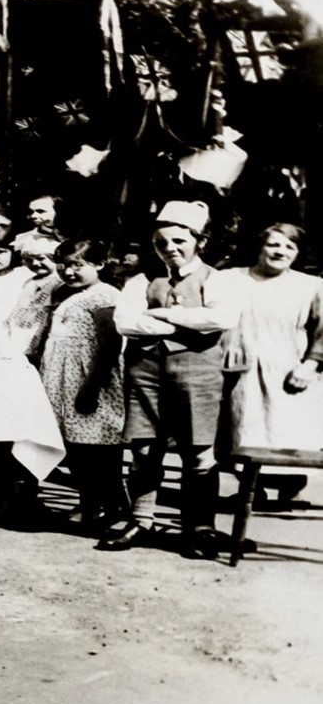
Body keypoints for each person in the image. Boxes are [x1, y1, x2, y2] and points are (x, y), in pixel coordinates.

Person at [109, 200, 243, 558]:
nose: (170, 248)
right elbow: (125, 322)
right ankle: (140, 521)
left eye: (179, 241)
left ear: (200, 241)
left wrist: (161, 316)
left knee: (198, 450)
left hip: (197, 371)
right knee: (143, 448)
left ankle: (199, 528)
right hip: (145, 370)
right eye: (161, 242)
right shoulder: (141, 280)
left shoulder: (216, 279)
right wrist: (183, 321)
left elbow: (221, 318)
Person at [221, 224, 323, 499]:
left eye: (289, 246)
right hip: (240, 368)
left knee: (286, 430)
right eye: (274, 244)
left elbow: (322, 330)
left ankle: (290, 488)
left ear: (298, 253)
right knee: (244, 429)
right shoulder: (231, 278)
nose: (281, 251)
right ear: (260, 247)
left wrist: (312, 363)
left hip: (289, 370)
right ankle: (253, 490)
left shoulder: (310, 286)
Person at [40, 239, 129, 534]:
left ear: (99, 264)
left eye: (77, 265)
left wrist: (92, 387)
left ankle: (106, 505)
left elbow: (111, 343)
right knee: (74, 445)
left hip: (88, 379)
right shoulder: (69, 294)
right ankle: (91, 502)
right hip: (62, 379)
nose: (68, 271)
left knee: (96, 446)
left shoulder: (104, 295)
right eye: (62, 265)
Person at [6, 236, 66, 364]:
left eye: (40, 259)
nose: (35, 263)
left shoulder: (59, 283)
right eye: (29, 260)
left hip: (44, 327)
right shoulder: (30, 281)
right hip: (23, 326)